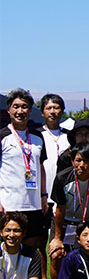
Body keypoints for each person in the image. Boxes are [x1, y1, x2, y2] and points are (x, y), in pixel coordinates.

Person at [49, 142, 89, 279]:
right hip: (65, 222)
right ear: (72, 161)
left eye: (86, 161)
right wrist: (57, 237)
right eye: (78, 160)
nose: (82, 165)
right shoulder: (62, 178)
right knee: (56, 254)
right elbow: (60, 209)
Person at [1, 89, 48, 266]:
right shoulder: (2, 136)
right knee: (7, 249)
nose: (20, 111)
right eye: (16, 107)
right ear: (9, 110)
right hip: (9, 204)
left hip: (33, 204)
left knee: (32, 249)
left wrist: (43, 195)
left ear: (30, 110)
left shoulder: (37, 137)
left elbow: (40, 167)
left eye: (24, 107)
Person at [38, 94, 69, 235]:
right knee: (40, 238)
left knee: (62, 237)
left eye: (56, 108)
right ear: (42, 112)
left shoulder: (69, 136)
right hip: (43, 195)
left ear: (62, 111)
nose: (52, 112)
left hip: (65, 196)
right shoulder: (36, 136)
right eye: (48, 108)